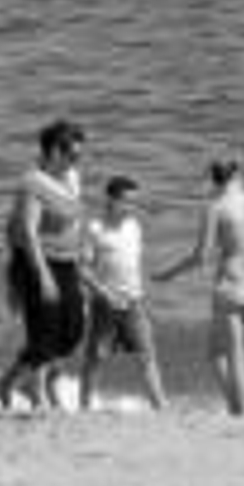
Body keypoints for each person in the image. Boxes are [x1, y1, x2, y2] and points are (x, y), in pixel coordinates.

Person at [154, 157, 244, 416]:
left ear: (214, 180)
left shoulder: (215, 207)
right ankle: (236, 407)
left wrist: (168, 274)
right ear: (238, 175)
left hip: (229, 287)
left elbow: (201, 256)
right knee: (218, 352)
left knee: (232, 355)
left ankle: (242, 413)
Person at [0, 118, 88, 410]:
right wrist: (42, 275)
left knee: (73, 330)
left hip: (68, 261)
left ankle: (8, 383)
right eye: (72, 155)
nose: (77, 161)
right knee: (43, 335)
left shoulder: (71, 178)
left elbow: (74, 218)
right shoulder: (31, 182)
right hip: (38, 262)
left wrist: (83, 256)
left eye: (79, 156)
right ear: (54, 152)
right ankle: (23, 390)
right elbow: (26, 231)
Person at [78, 175, 168, 411]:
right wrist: (104, 293)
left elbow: (133, 264)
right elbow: (82, 269)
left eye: (134, 202)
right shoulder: (94, 227)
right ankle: (84, 408)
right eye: (127, 201)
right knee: (96, 358)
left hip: (134, 302)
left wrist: (139, 293)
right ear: (111, 200)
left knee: (147, 356)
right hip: (105, 303)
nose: (132, 207)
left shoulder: (134, 225)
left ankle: (161, 407)